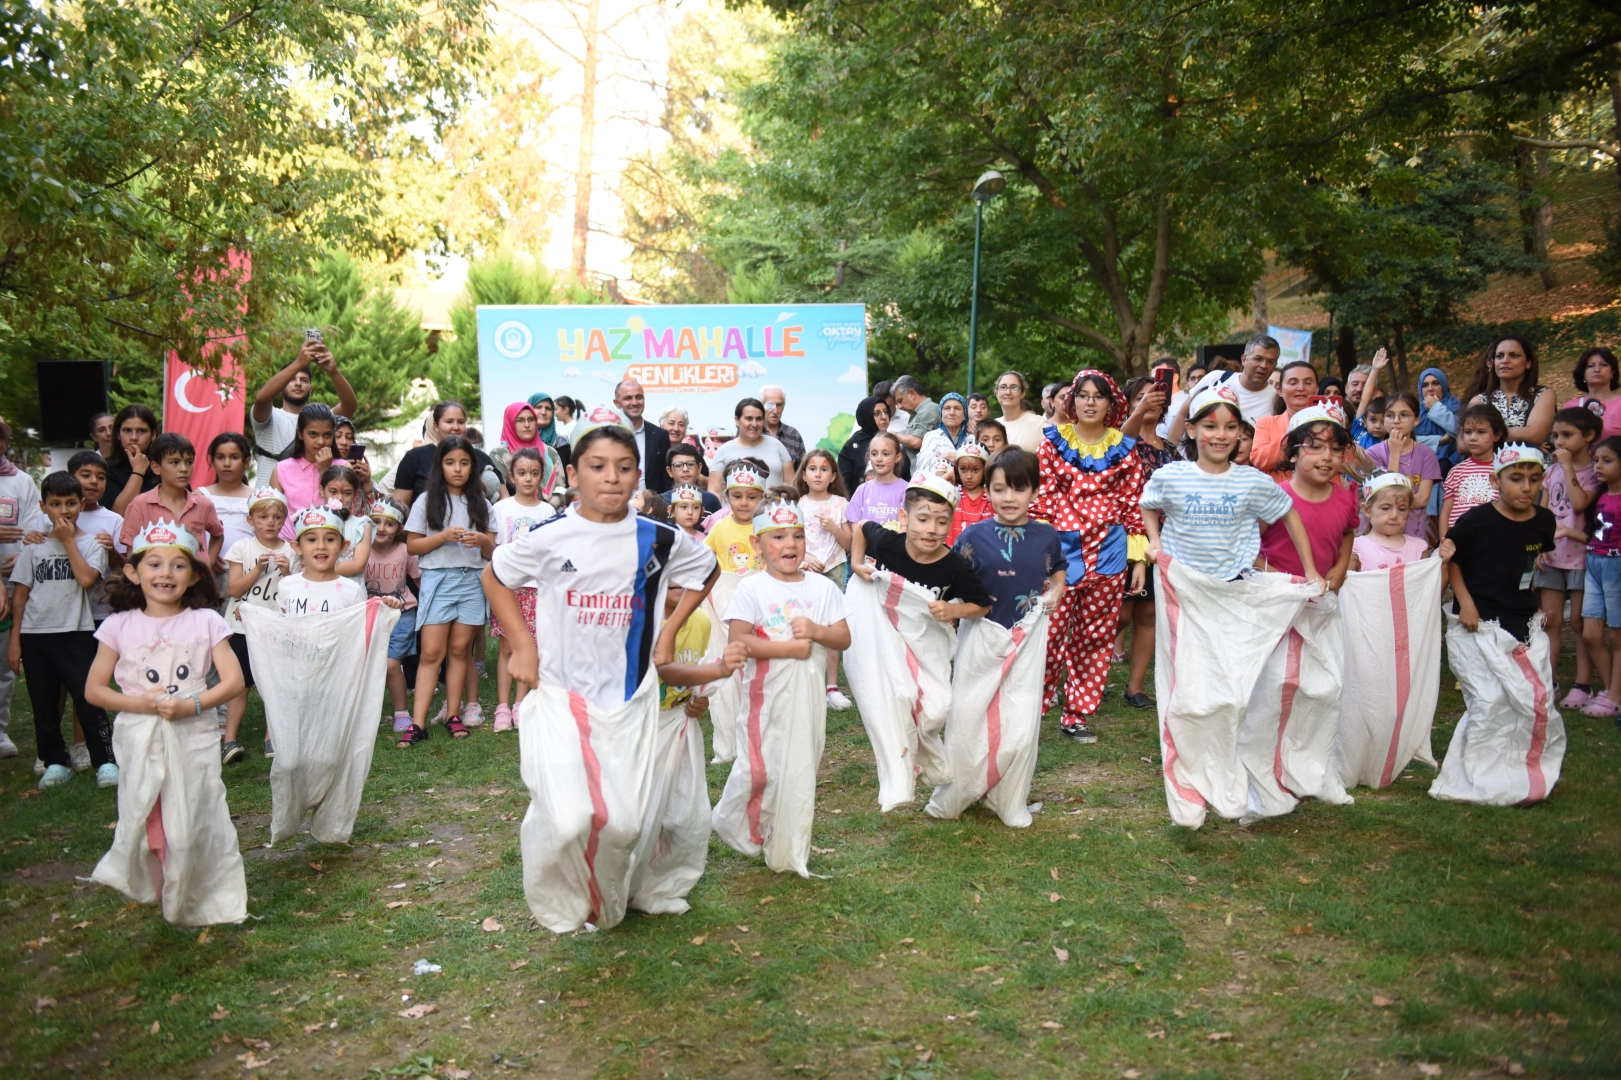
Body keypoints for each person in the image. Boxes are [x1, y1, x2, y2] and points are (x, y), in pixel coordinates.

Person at [483, 418, 723, 933]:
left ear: (639, 475)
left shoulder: (660, 539)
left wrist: (667, 630)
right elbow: (495, 576)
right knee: (571, 818)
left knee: (625, 824)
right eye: (597, 467)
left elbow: (707, 572)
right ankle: (560, 898)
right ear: (573, 473)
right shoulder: (549, 536)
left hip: (630, 699)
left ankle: (608, 898)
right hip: (562, 695)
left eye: (624, 467)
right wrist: (523, 646)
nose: (611, 478)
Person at [85, 519, 247, 926]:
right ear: (133, 572)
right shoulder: (117, 627)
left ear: (193, 575)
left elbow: (233, 681)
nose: (165, 574)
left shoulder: (206, 622)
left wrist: (190, 705)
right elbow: (94, 690)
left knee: (193, 810)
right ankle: (161, 881)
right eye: (153, 564)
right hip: (140, 735)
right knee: (146, 811)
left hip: (192, 734)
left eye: (177, 566)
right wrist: (141, 704)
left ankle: (201, 889)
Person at [713, 498, 850, 876]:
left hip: (806, 704)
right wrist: (788, 648)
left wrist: (817, 631)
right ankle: (732, 819)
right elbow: (738, 642)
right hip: (764, 700)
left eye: (798, 536)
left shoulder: (821, 589)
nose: (790, 545)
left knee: (799, 772)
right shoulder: (752, 589)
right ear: (757, 545)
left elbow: (843, 638)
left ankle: (787, 848)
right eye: (778, 537)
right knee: (758, 770)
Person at [1030, 371, 1147, 741]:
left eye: (1099, 396)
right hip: (1060, 552)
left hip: (1109, 553)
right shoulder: (1051, 442)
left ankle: (1077, 713)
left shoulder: (1125, 448)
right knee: (1047, 633)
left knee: (1095, 636)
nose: (1091, 402)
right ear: (1072, 401)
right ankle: (1035, 704)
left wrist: (1139, 559)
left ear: (1111, 404)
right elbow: (1042, 496)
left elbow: (1134, 504)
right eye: (1083, 395)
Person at [1142, 386, 1319, 586]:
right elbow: (1148, 503)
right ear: (1191, 430)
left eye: (1231, 427)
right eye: (1210, 426)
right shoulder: (1170, 475)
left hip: (1234, 582)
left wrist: (1310, 569)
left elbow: (1288, 512)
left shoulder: (1252, 480)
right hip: (1180, 583)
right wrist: (1154, 539)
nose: (1221, 435)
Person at [8, 472, 115, 790]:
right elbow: (21, 596)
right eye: (55, 504)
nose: (64, 510)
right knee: (43, 702)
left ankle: (105, 762)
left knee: (88, 698)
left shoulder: (93, 544)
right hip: (35, 634)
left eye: (70, 503)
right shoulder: (32, 548)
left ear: (82, 504)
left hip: (76, 630)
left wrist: (68, 541)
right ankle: (55, 761)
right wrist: (15, 640)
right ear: (43, 507)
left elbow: (86, 580)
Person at [401, 436, 495, 744]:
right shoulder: (426, 500)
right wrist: (442, 537)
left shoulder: (482, 503)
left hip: (472, 582)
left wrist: (483, 541)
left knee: (459, 651)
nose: (458, 469)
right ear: (440, 465)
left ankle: (454, 715)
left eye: (465, 463)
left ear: (473, 467)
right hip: (438, 579)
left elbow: (493, 554)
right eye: (451, 462)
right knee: (431, 652)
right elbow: (413, 545)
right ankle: (418, 724)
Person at [1447, 444, 1556, 642]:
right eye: (1516, 479)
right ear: (1495, 481)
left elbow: (1529, 561)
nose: (1526, 488)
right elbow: (1452, 561)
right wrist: (1466, 604)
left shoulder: (1545, 520)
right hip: (1480, 614)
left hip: (1520, 612)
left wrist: (1532, 601)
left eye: (1534, 480)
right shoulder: (1476, 520)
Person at [221, 488, 297, 762]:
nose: (270, 523)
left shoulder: (291, 551)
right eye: (263, 517)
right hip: (242, 628)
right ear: (250, 519)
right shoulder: (242, 548)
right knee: (240, 685)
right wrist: (257, 570)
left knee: (273, 684)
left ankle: (271, 737)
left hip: (275, 627)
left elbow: (296, 591)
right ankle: (229, 741)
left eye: (277, 517)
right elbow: (234, 590)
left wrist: (288, 571)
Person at [849, 472, 993, 614]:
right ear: (904, 518)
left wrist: (954, 610)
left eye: (942, 522)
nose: (932, 530)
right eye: (923, 519)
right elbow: (862, 526)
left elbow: (982, 605)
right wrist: (856, 564)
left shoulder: (955, 567)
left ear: (950, 523)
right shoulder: (887, 544)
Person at [954, 448, 1065, 632]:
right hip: (980, 633)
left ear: (1035, 492)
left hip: (1028, 635)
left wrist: (1057, 591)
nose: (1009, 498)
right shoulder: (972, 537)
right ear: (987, 491)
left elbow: (1058, 565)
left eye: (1019, 489)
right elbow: (952, 574)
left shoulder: (1047, 536)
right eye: (999, 489)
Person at [1115, 377, 1176, 704]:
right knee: (1120, 614)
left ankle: (1135, 687)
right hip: (1125, 534)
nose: (1150, 401)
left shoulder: (1171, 449)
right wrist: (1139, 411)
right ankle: (1084, 669)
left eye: (1155, 396)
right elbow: (1125, 435)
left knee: (1149, 613)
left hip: (1162, 538)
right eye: (1141, 397)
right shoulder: (1121, 441)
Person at [1536, 409, 1600, 710]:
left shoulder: (1596, 473)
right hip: (1552, 556)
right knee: (1550, 620)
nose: (1559, 441)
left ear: (1588, 437)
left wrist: (1568, 468)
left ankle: (1582, 683)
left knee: (1578, 622)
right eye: (1556, 435)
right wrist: (1539, 544)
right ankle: (1549, 682)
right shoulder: (1551, 472)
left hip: (1582, 558)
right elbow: (1544, 513)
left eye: (1567, 435)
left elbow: (1579, 503)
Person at [1257, 404, 1360, 591]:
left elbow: (1347, 532)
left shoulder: (1345, 499)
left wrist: (1341, 566)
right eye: (1316, 447)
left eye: (1336, 449)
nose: (1328, 456)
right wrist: (1278, 579)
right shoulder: (1273, 499)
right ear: (1292, 453)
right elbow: (1247, 548)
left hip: (1322, 602)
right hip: (1276, 601)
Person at [489, 448, 556, 733]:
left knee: (529, 646)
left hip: (537, 589)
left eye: (534, 473)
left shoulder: (548, 511)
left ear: (542, 476)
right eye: (522, 473)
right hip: (509, 587)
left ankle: (520, 704)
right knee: (507, 645)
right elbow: (495, 549)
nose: (528, 478)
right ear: (512, 476)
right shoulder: (501, 509)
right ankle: (502, 706)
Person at [250, 338, 358, 486]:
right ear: (280, 386)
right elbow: (261, 399)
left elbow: (350, 406)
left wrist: (333, 371)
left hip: (308, 502)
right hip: (268, 501)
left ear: (311, 389)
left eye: (304, 380)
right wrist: (299, 363)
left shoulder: (321, 421)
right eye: (292, 379)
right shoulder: (269, 418)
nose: (298, 383)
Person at [796, 449, 852, 708]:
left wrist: (834, 528)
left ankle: (832, 687)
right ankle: (805, 683)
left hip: (834, 569)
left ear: (832, 476)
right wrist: (805, 557)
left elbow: (849, 542)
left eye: (824, 469)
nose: (818, 473)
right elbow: (791, 539)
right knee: (803, 624)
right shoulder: (798, 504)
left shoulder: (841, 504)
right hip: (804, 570)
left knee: (832, 628)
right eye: (813, 468)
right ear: (804, 475)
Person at [117, 434, 224, 570]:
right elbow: (131, 549)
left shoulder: (204, 504)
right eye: (174, 462)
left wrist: (208, 563)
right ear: (156, 467)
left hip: (196, 584)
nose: (183, 469)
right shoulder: (141, 504)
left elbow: (218, 535)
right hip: (158, 583)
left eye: (189, 462)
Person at [365, 500, 419, 733]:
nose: (381, 528)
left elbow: (418, 579)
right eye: (375, 522)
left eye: (389, 524)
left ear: (399, 528)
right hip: (368, 614)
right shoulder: (361, 550)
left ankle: (401, 712)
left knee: (391, 664)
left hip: (402, 613)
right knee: (368, 666)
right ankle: (367, 712)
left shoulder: (405, 550)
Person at [391, 401, 501, 511]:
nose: (456, 427)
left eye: (461, 422)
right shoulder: (415, 457)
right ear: (436, 426)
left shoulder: (481, 457)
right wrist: (417, 526)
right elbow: (401, 503)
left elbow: (503, 498)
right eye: (449, 422)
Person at [1168, 335, 1281, 442]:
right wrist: (1171, 453)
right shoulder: (1216, 379)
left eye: (1270, 362)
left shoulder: (1277, 401)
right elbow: (1183, 414)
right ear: (1244, 359)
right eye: (1258, 359)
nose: (1263, 366)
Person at [1367, 393, 1441, 539]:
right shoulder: (1373, 454)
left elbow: (1422, 499)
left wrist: (1394, 503)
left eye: (1404, 415)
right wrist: (1395, 454)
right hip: (1382, 536)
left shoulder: (1427, 454)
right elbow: (1386, 497)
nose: (1396, 421)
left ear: (1416, 421)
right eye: (1390, 415)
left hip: (1415, 535)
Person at [278, 504, 370, 616]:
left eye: (330, 539)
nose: (321, 546)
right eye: (312, 539)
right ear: (298, 547)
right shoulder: (286, 585)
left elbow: (358, 630)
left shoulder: (353, 591)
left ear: (343, 546)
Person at [1463, 335, 1554, 446]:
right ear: (1492, 363)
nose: (1505, 361)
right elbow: (1463, 444)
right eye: (1499, 356)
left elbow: (1535, 434)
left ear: (1528, 362)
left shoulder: (1543, 394)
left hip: (1532, 463)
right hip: (1492, 463)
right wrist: (1521, 437)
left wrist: (1483, 435)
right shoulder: (1480, 401)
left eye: (1514, 355)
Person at [1440, 404, 1508, 538]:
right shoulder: (1456, 471)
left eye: (1481, 432)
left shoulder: (1505, 470)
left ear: (1497, 435)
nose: (1473, 438)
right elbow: (1445, 512)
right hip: (1459, 542)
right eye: (1468, 432)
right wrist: (1444, 540)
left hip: (1493, 540)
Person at [269, 403, 336, 535]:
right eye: (313, 434)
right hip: (288, 545)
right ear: (300, 433)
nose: (321, 441)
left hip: (330, 544)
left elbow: (344, 508)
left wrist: (325, 473)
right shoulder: (282, 469)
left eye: (327, 435)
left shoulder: (343, 467)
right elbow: (272, 514)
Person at [1248, 360, 1319, 478]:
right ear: (1280, 391)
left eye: (1307, 382)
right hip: (1279, 493)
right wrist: (1295, 432)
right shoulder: (1267, 423)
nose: (1301, 388)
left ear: (1317, 389)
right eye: (1293, 383)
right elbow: (1258, 459)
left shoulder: (1330, 424)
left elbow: (1348, 461)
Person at [709, 398, 795, 493]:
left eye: (759, 419)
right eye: (749, 418)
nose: (754, 424)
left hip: (774, 507)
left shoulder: (777, 446)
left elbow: (791, 488)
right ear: (737, 420)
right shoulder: (723, 451)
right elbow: (715, 492)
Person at [492, 401, 567, 510]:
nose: (527, 425)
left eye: (531, 420)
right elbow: (500, 493)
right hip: (514, 518)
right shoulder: (499, 454)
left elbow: (561, 488)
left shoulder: (550, 452)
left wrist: (546, 509)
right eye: (520, 420)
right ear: (510, 423)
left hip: (550, 516)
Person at [1350, 474, 1431, 571]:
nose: (1394, 515)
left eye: (1401, 509)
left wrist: (1445, 564)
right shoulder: (1357, 549)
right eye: (1386, 508)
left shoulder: (1418, 549)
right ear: (1367, 510)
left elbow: (1430, 584)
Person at [202, 433, 255, 578]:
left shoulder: (257, 497)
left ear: (247, 462)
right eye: (220, 457)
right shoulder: (200, 496)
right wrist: (207, 557)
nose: (226, 463)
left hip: (247, 573)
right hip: (206, 573)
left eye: (234, 457)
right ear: (212, 461)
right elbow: (191, 533)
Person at [707, 461, 769, 577]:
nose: (744, 503)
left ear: (762, 498)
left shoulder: (770, 529)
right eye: (737, 496)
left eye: (751, 497)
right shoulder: (719, 528)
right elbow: (702, 560)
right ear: (727, 496)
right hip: (727, 593)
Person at [317, 464, 373, 587]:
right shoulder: (313, 522)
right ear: (321, 490)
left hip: (351, 596)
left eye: (347, 493)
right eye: (333, 492)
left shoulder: (362, 526)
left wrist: (318, 570)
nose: (340, 498)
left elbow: (358, 565)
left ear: (355, 494)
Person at [613, 378, 671, 490]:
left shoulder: (660, 435)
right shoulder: (605, 434)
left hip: (652, 505)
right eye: (628, 398)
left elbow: (666, 480)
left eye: (639, 397)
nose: (635, 403)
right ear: (617, 403)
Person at [103, 404, 160, 513]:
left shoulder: (165, 466)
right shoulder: (106, 468)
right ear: (118, 434)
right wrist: (138, 471)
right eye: (127, 430)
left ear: (153, 434)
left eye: (142, 431)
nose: (134, 437)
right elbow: (119, 513)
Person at [845, 432, 909, 527]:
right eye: (874, 454)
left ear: (897, 457)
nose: (879, 459)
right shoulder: (862, 490)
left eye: (885, 454)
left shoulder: (907, 489)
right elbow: (855, 529)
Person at [1564, 347, 1621, 440]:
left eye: (1603, 365)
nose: (1597, 369)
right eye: (1590, 366)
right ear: (1583, 373)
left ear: (1613, 372)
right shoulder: (1571, 407)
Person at [838, 396, 888, 496]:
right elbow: (843, 486)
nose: (884, 417)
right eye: (877, 413)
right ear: (866, 416)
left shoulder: (893, 442)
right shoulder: (852, 446)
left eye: (886, 412)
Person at [916, 392, 974, 477]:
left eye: (957, 408)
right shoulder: (932, 436)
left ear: (964, 415)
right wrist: (944, 457)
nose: (951, 413)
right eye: (947, 408)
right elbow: (922, 464)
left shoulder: (972, 438)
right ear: (941, 413)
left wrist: (954, 457)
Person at [946, 443, 993, 545]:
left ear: (985, 469)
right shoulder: (952, 494)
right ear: (956, 469)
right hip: (953, 555)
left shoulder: (991, 497)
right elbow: (929, 494)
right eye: (963, 469)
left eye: (975, 470)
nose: (969, 476)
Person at [891, 376, 941, 469]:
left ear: (912, 394)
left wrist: (893, 434)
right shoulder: (918, 412)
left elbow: (916, 442)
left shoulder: (929, 410)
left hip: (928, 476)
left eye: (900, 401)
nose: (899, 406)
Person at [993, 371, 1045, 452]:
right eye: (1003, 387)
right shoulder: (992, 426)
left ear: (1023, 393)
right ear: (996, 393)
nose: (1008, 392)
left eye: (1014, 387)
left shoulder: (1039, 424)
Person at [663, 442, 721, 514]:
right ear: (669, 471)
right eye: (678, 465)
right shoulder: (661, 501)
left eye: (690, 464)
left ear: (699, 468)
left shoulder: (711, 500)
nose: (685, 469)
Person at [760, 385, 806, 468]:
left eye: (779, 405)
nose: (775, 411)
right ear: (761, 406)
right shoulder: (751, 433)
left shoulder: (793, 435)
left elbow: (803, 472)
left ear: (784, 407)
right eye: (770, 405)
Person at [527, 392, 574, 465]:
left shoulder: (562, 443)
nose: (543, 412)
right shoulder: (518, 441)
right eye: (538, 407)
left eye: (548, 408)